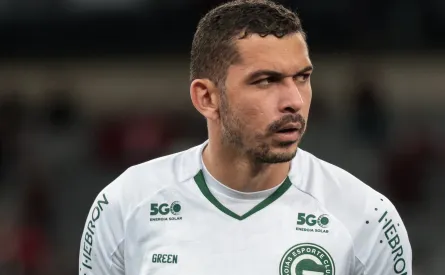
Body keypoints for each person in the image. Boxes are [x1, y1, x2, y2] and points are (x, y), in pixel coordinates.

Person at [79, 1, 412, 274]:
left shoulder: (367, 216)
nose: (294, 100)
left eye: (302, 77)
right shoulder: (124, 205)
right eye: (266, 80)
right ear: (206, 98)